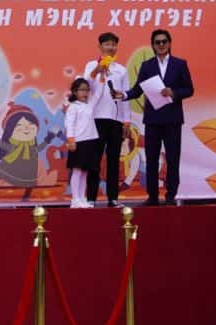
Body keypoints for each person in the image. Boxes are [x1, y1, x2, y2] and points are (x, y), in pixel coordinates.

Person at [115, 29, 194, 205]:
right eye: (157, 42)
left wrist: (173, 92)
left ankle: (171, 196)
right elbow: (137, 89)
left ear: (170, 43)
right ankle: (152, 197)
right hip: (152, 120)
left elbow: (189, 89)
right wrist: (125, 95)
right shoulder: (147, 65)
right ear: (153, 45)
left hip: (172, 120)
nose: (161, 45)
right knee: (151, 160)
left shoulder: (180, 64)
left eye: (164, 41)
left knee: (172, 159)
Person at [83, 31, 131, 207]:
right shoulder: (90, 66)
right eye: (107, 44)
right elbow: (85, 85)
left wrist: (127, 121)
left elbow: (125, 97)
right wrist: (98, 69)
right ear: (100, 46)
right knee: (94, 160)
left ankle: (113, 198)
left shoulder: (121, 70)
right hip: (95, 119)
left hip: (115, 120)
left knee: (113, 160)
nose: (110, 47)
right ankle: (91, 198)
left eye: (113, 44)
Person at [64, 77, 99, 208]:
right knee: (77, 170)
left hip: (90, 141)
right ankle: (75, 199)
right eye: (82, 90)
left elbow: (99, 93)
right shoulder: (73, 107)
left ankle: (82, 198)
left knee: (85, 171)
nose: (85, 93)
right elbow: (69, 124)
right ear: (74, 92)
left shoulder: (89, 105)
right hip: (78, 142)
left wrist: (101, 76)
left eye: (87, 90)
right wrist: (71, 140)